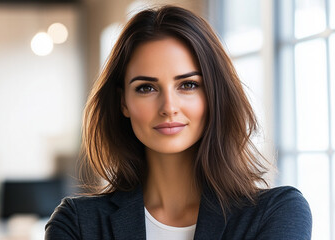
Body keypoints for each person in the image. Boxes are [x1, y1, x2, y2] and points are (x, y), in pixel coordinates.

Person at [45, 5, 312, 240]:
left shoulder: (277, 213)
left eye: (188, 85)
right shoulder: (77, 223)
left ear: (214, 95)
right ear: (123, 102)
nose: (169, 108)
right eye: (146, 88)